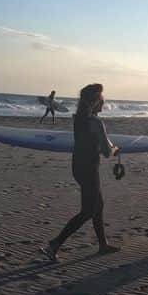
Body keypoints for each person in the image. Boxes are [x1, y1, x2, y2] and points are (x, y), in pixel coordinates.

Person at [43, 83, 118, 262]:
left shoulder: (78, 118)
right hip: (90, 169)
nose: (103, 103)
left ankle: (102, 244)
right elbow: (107, 152)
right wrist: (116, 148)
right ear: (95, 101)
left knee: (98, 205)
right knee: (88, 211)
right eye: (102, 100)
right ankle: (54, 244)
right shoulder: (96, 122)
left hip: (77, 167)